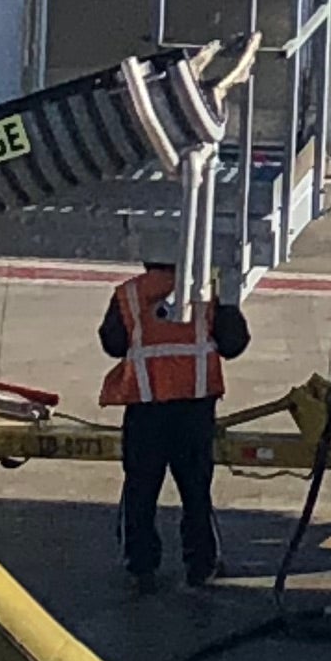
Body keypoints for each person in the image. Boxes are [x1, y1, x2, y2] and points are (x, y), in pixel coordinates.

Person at [100, 252, 250, 592]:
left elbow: (112, 343)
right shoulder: (207, 294)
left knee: (140, 489)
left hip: (146, 409)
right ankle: (201, 564)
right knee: (196, 492)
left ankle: (140, 565)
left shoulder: (130, 294)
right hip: (194, 410)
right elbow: (234, 343)